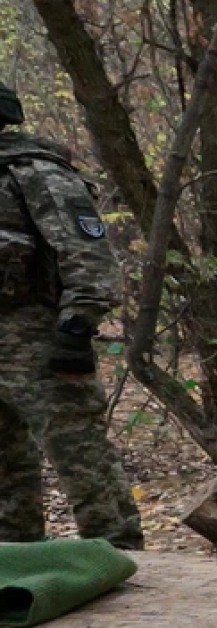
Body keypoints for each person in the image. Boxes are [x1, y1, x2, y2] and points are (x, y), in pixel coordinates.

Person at [0, 81, 142, 551]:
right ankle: (16, 564)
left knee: (81, 456)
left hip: (40, 339)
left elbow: (90, 258)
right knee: (5, 469)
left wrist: (75, 330)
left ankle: (121, 560)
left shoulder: (37, 173)